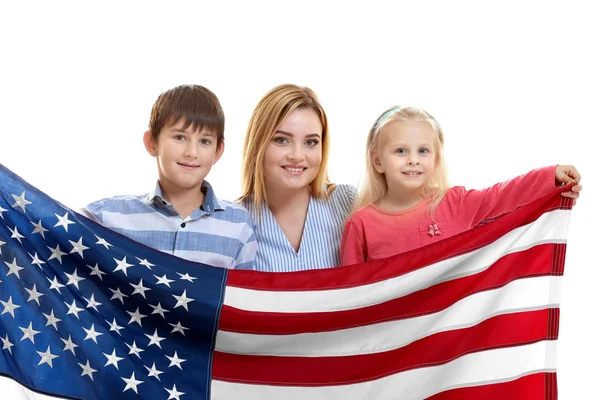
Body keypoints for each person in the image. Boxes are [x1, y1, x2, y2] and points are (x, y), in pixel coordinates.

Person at [340, 106, 582, 265]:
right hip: (392, 339)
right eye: (401, 150)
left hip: (450, 337)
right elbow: (350, 294)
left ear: (435, 159)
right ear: (378, 160)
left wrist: (549, 178)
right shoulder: (361, 224)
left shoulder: (454, 203)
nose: (413, 159)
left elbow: (503, 196)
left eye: (423, 150)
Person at [81, 84, 257, 269]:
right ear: (151, 142)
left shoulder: (239, 225)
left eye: (205, 141)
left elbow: (244, 295)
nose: (192, 152)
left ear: (218, 151)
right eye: (180, 137)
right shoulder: (108, 216)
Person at [239, 84, 356, 272]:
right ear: (258, 143)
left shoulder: (349, 202)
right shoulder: (234, 221)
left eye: (310, 142)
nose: (297, 155)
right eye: (282, 140)